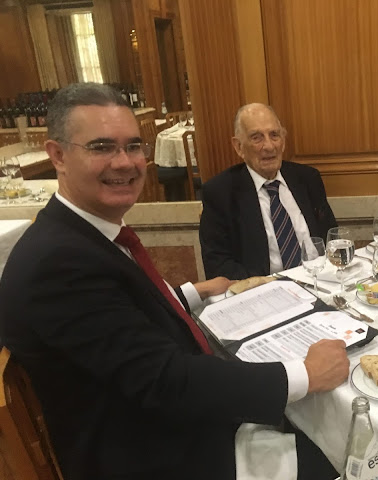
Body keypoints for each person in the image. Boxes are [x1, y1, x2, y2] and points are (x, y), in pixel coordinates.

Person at [0, 83, 349, 480]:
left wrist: (189, 293)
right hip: (158, 454)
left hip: (159, 421)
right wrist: (305, 374)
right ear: (58, 155)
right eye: (102, 147)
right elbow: (167, 381)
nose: (124, 162)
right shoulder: (59, 264)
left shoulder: (78, 235)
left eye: (133, 146)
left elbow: (120, 325)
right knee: (343, 446)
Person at [199, 103, 337, 280]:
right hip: (264, 288)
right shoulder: (220, 193)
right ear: (239, 147)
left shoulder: (307, 178)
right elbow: (217, 265)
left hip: (319, 280)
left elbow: (331, 236)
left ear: (283, 141)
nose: (269, 146)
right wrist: (266, 284)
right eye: (257, 138)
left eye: (274, 135)